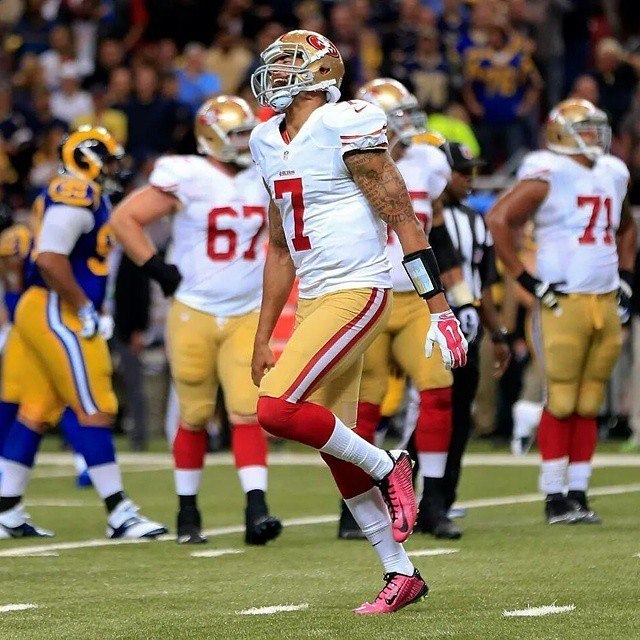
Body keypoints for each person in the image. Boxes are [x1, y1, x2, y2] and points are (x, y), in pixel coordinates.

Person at [248, 30, 467, 614]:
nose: (276, 71)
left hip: (359, 287)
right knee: (334, 446)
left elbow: (400, 213)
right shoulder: (266, 138)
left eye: (290, 62)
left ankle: (390, 463)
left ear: (319, 74)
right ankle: (401, 573)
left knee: (275, 410)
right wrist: (263, 334)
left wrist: (438, 307)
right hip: (317, 294)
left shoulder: (345, 122)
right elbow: (276, 245)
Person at [111, 96, 282, 546]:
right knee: (195, 414)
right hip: (194, 310)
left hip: (246, 309)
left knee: (248, 410)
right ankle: (188, 510)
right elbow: (125, 219)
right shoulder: (186, 173)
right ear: (212, 137)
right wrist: (157, 268)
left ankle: (257, 507)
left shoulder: (261, 175)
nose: (246, 142)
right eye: (238, 134)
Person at [0, 126, 167, 539]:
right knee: (96, 404)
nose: (114, 169)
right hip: (58, 309)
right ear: (87, 158)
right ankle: (119, 513)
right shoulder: (76, 192)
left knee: (36, 409)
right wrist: (85, 307)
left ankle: (6, 509)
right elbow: (51, 258)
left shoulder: (87, 193)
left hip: (48, 308)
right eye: (108, 160)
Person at [338, 78, 480, 541]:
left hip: (416, 298)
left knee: (439, 387)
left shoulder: (430, 162)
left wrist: (459, 298)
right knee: (367, 405)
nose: (407, 125)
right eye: (396, 115)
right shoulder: (343, 162)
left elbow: (431, 232)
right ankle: (358, 506)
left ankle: (434, 499)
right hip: (369, 292)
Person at [487, 99, 637, 524]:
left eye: (596, 128)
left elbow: (626, 227)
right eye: (586, 129)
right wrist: (527, 280)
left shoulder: (613, 172)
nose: (595, 137)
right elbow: (499, 219)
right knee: (564, 397)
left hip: (604, 298)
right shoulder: (546, 171)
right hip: (562, 300)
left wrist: (627, 277)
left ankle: (579, 492)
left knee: (590, 401)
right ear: (561, 134)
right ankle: (554, 494)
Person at [439, 141, 511, 517]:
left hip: (467, 332)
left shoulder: (474, 221)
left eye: (472, 171)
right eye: (461, 171)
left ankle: (443, 498)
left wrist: (499, 335)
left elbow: (482, 287)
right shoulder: (416, 214)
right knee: (427, 411)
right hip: (428, 328)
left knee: (459, 415)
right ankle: (412, 496)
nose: (470, 179)